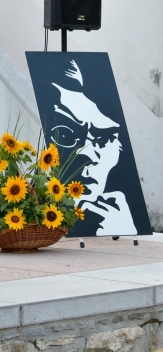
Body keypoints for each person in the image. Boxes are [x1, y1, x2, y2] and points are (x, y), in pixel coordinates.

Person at [50, 60, 137, 236]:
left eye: (103, 139)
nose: (91, 156)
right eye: (67, 135)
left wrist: (125, 227)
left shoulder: (120, 212)